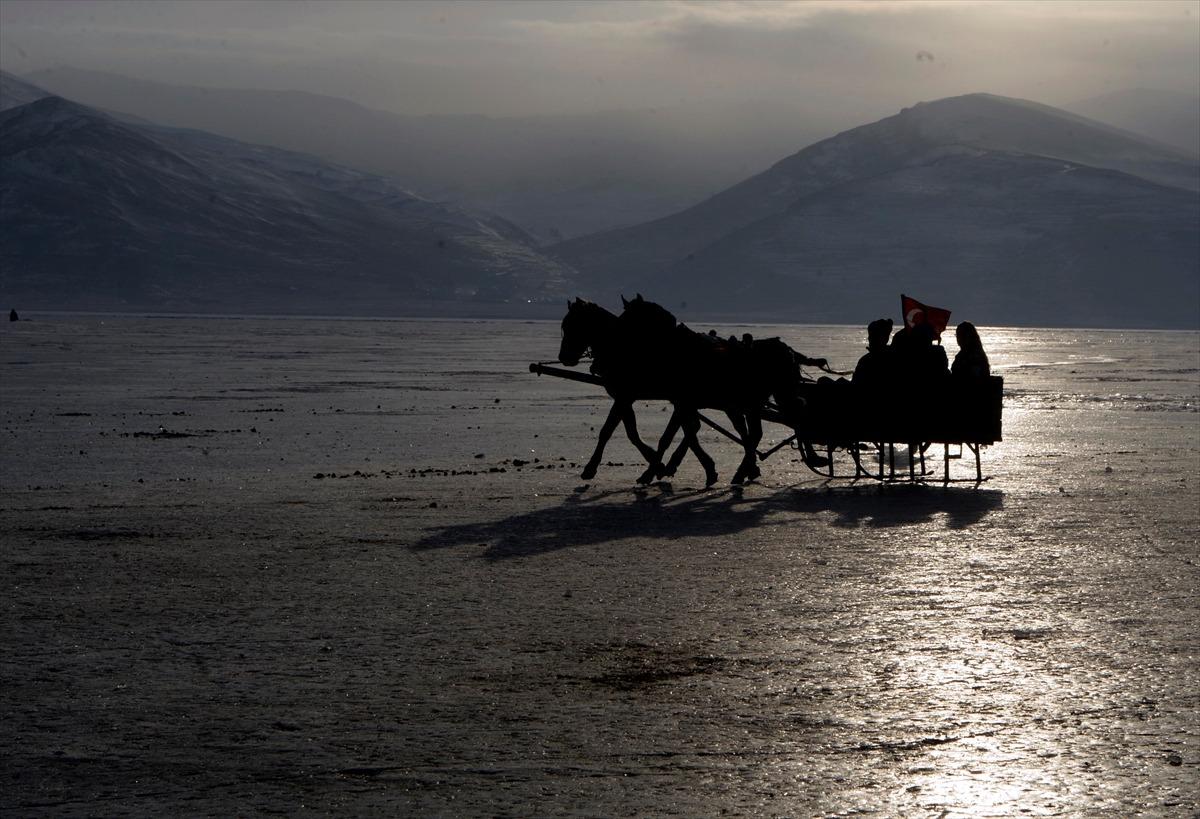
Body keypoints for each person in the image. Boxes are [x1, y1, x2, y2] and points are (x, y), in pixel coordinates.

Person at [851, 318, 893, 388]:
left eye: (872, 336)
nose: (869, 338)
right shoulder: (894, 356)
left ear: (884, 338)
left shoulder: (866, 361)